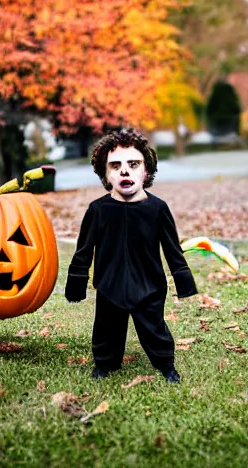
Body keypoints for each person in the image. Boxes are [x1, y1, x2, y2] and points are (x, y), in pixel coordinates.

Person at [65, 129, 198, 382]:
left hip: (149, 285)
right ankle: (105, 364)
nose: (124, 171)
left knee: (154, 328)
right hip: (109, 284)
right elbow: (84, 249)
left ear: (146, 171)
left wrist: (184, 281)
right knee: (106, 329)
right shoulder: (98, 210)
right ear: (105, 175)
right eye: (115, 166)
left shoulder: (157, 209)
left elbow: (172, 249)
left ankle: (166, 365)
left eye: (133, 164)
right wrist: (76, 283)